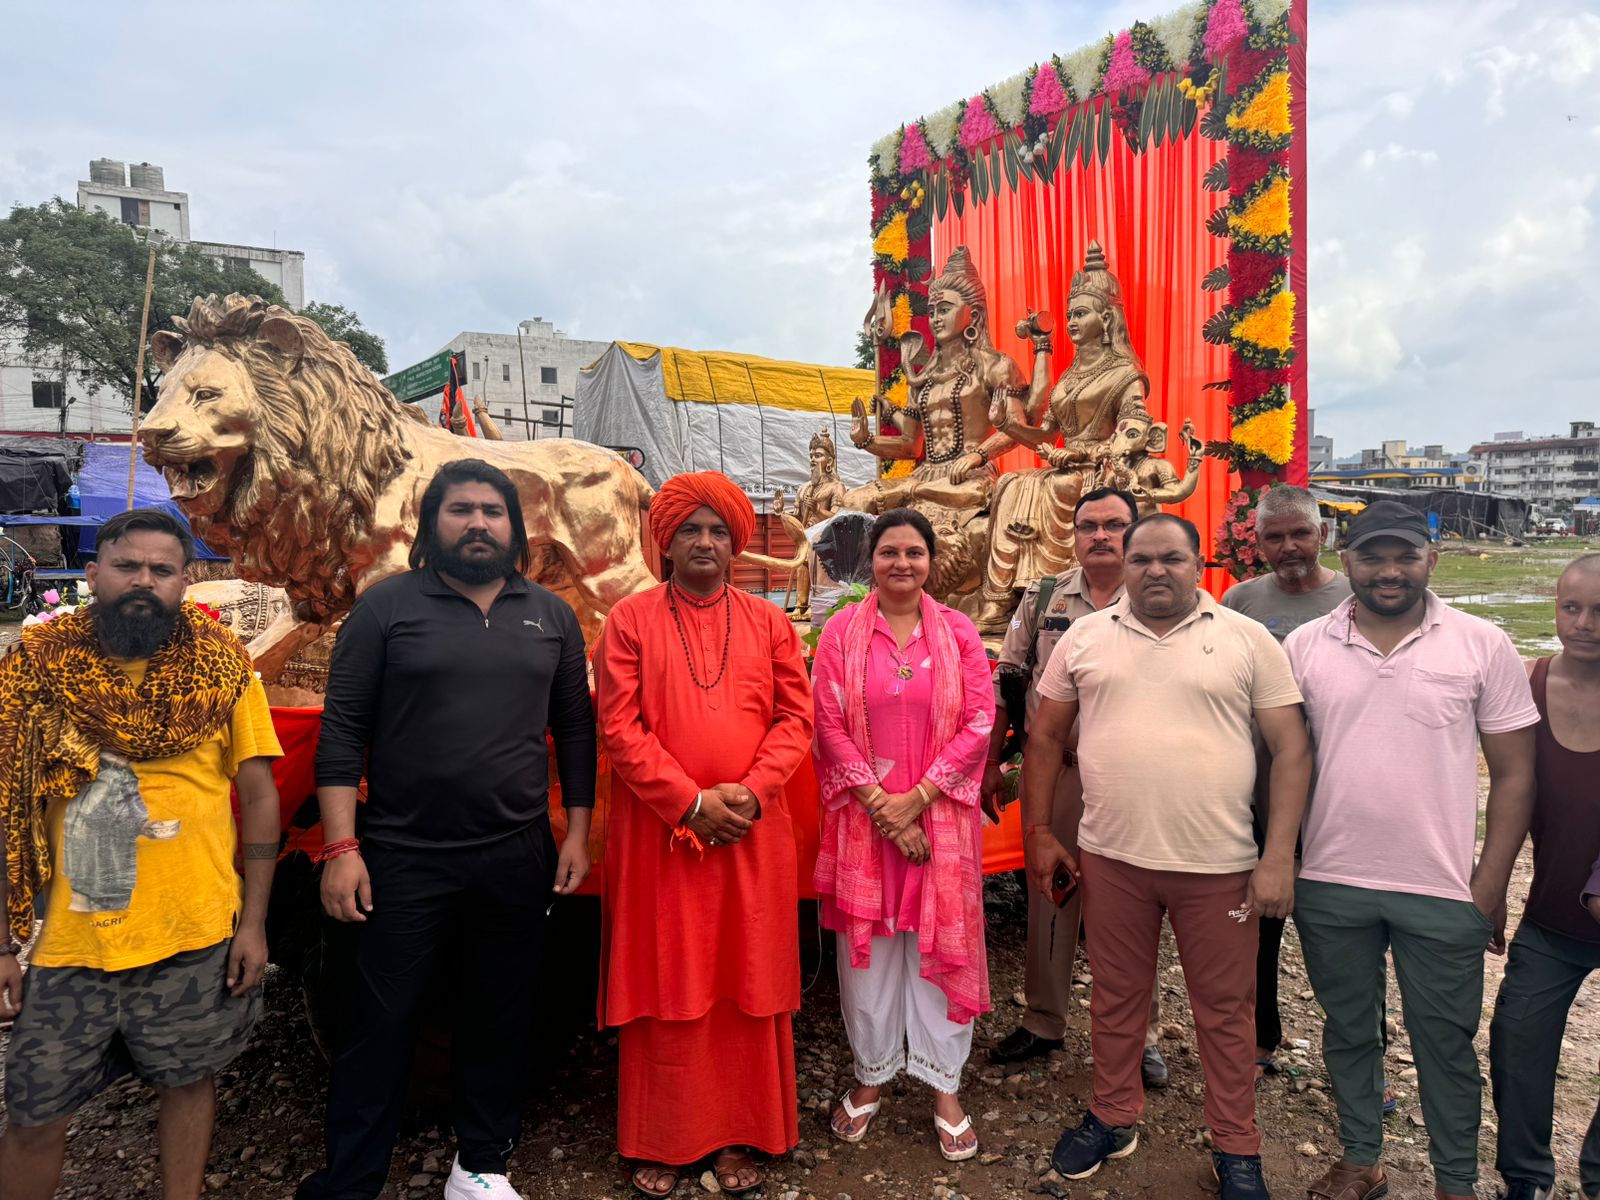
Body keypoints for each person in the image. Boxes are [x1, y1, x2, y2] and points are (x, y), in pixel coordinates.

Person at [298, 459, 596, 1200]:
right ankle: (350, 1182)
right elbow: (342, 733)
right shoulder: (386, 608)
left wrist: (576, 833)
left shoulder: (551, 615)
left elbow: (574, 729)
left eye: (493, 511)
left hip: (516, 852)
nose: (477, 523)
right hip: (404, 854)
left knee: (501, 1014)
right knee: (379, 1023)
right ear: (432, 524)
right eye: (460, 509)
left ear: (515, 529)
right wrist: (342, 847)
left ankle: (481, 1167)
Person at [1024, 514, 1310, 1200]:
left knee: (1225, 1009)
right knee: (1116, 998)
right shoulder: (1085, 637)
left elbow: (1291, 748)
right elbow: (1046, 737)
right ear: (1123, 566)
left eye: (1172, 559)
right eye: (1142, 559)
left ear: (1199, 563)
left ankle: (1236, 1145)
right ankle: (1113, 1114)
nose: (1156, 571)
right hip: (1112, 858)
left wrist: (1278, 856)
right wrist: (1039, 831)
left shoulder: (1246, 639)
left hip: (1220, 864)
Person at [0, 509, 282, 1200]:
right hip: (68, 944)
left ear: (186, 581)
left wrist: (253, 923)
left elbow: (259, 795)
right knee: (34, 1112)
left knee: (187, 1085)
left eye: (162, 570)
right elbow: (6, 803)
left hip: (193, 931)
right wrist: (2, 944)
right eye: (127, 566)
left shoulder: (223, 668)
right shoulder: (37, 667)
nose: (144, 581)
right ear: (92, 573)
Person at [1285, 500, 1538, 1200]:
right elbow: (1285, 760)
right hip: (1331, 880)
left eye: (1406, 556)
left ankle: (1455, 1181)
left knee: (1446, 1044)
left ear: (1432, 558)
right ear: (1346, 559)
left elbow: (1516, 774)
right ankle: (1361, 1159)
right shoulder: (1304, 646)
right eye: (1373, 557)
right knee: (1348, 1031)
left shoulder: (1481, 643)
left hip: (1441, 887)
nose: (1390, 571)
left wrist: (1489, 886)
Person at [594, 471, 813, 1198]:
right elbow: (619, 727)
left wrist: (751, 792)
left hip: (750, 832)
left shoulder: (770, 621)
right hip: (662, 836)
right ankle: (665, 1136)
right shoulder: (629, 620)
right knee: (668, 978)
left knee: (746, 975)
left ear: (737, 544)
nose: (705, 542)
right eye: (690, 529)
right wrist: (688, 803)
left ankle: (739, 1132)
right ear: (666, 540)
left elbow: (796, 719)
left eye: (719, 530)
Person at [812, 508, 995, 1161]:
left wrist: (916, 801)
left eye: (914, 552)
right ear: (871, 561)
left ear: (930, 561)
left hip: (939, 821)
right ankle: (872, 1074)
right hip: (865, 824)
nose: (902, 563)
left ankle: (944, 1086)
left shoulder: (959, 631)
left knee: (939, 947)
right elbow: (826, 722)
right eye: (889, 551)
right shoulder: (841, 631)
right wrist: (881, 806)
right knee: (870, 954)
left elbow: (980, 721)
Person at [982, 487, 1168, 1089]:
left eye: (1113, 525)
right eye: (1088, 525)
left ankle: (1141, 1034)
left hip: (1135, 776)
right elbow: (1009, 681)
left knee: (1135, 904)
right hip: (1058, 770)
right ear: (1074, 533)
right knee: (1050, 893)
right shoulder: (1045, 597)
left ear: (1134, 530)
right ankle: (1043, 1019)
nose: (1100, 536)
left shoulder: (1162, 597)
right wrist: (992, 760)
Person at [1220, 485, 1352, 1082]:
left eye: (1300, 533)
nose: (1289, 546)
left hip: (1338, 797)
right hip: (1261, 792)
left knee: (1343, 937)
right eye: (1275, 536)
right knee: (1256, 926)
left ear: (1322, 534)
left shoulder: (1353, 597)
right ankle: (1259, 1037)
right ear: (1258, 542)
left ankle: (1359, 1054)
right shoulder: (1241, 601)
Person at [1490, 553, 1600, 1200]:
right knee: (1518, 1044)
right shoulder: (1526, 686)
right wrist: (1492, 887)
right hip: (1553, 918)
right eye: (1571, 607)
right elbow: (1508, 796)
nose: (1585, 624)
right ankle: (1525, 1177)